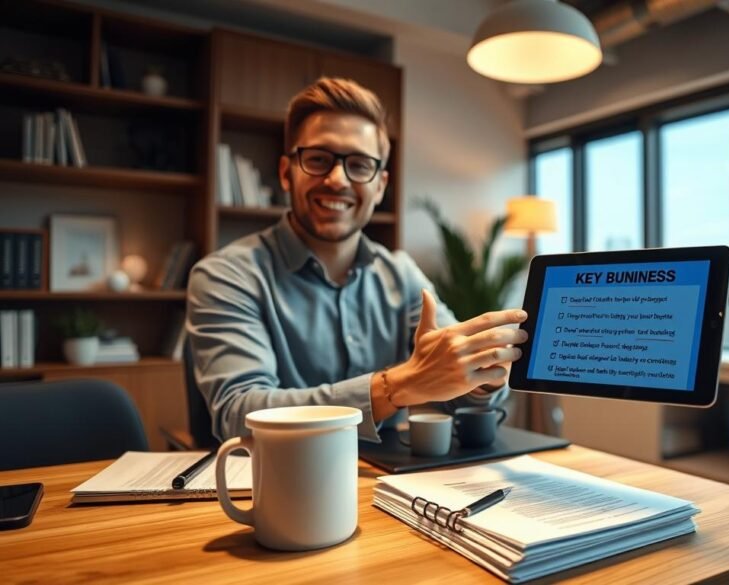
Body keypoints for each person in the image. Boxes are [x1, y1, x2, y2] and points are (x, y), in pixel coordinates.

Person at [187, 77, 528, 442]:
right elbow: (241, 413)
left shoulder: (401, 274)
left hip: (385, 484)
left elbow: (457, 383)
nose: (337, 180)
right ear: (286, 173)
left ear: (380, 185)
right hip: (273, 484)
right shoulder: (225, 276)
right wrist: (397, 387)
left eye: (359, 165)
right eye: (318, 159)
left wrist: (479, 377)